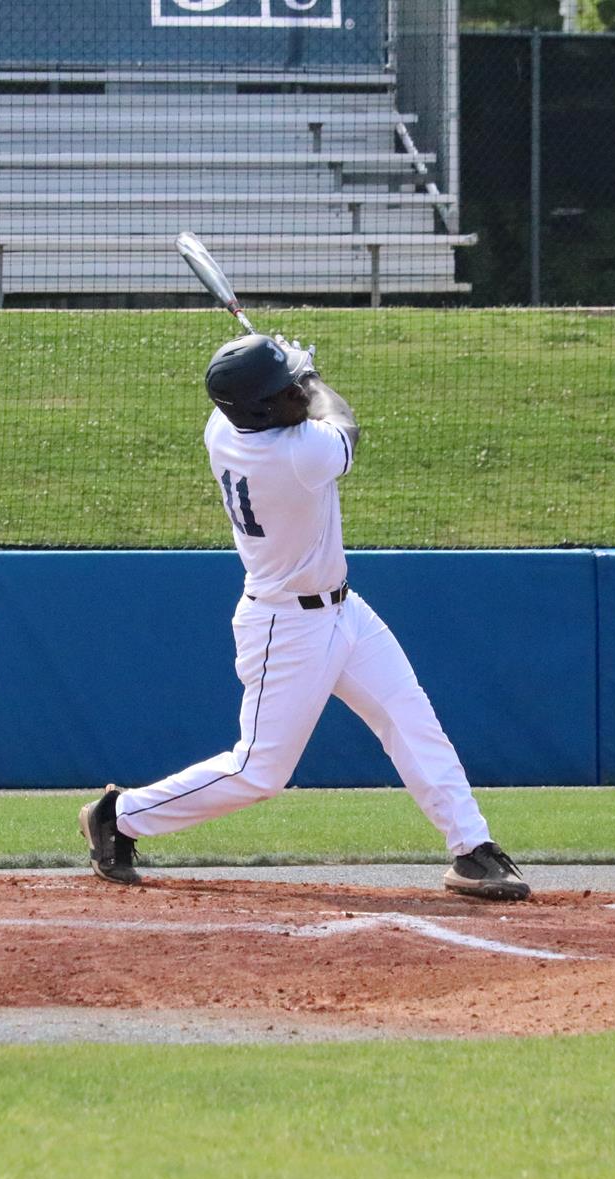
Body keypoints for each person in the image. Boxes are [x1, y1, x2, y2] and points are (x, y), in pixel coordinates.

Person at [79, 333, 530, 901]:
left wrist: (276, 369)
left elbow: (274, 400)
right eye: (284, 390)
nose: (297, 391)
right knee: (259, 772)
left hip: (344, 610)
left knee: (411, 720)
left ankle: (471, 849)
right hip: (285, 627)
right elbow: (345, 424)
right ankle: (119, 815)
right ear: (261, 410)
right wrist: (310, 376)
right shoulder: (297, 454)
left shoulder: (224, 428)